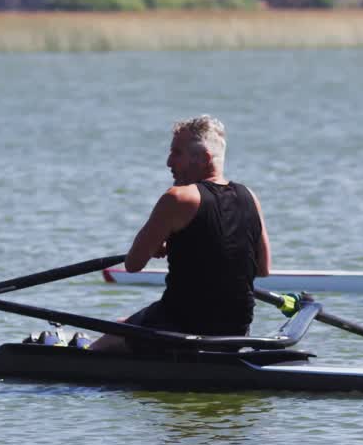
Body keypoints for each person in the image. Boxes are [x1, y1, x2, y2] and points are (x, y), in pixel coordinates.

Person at [90, 115, 271, 352]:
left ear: (205, 158)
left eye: (177, 153)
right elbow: (262, 269)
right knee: (126, 323)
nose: (168, 162)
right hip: (236, 331)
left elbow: (133, 263)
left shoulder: (177, 198)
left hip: (179, 328)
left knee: (106, 341)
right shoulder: (249, 196)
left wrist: (158, 243)